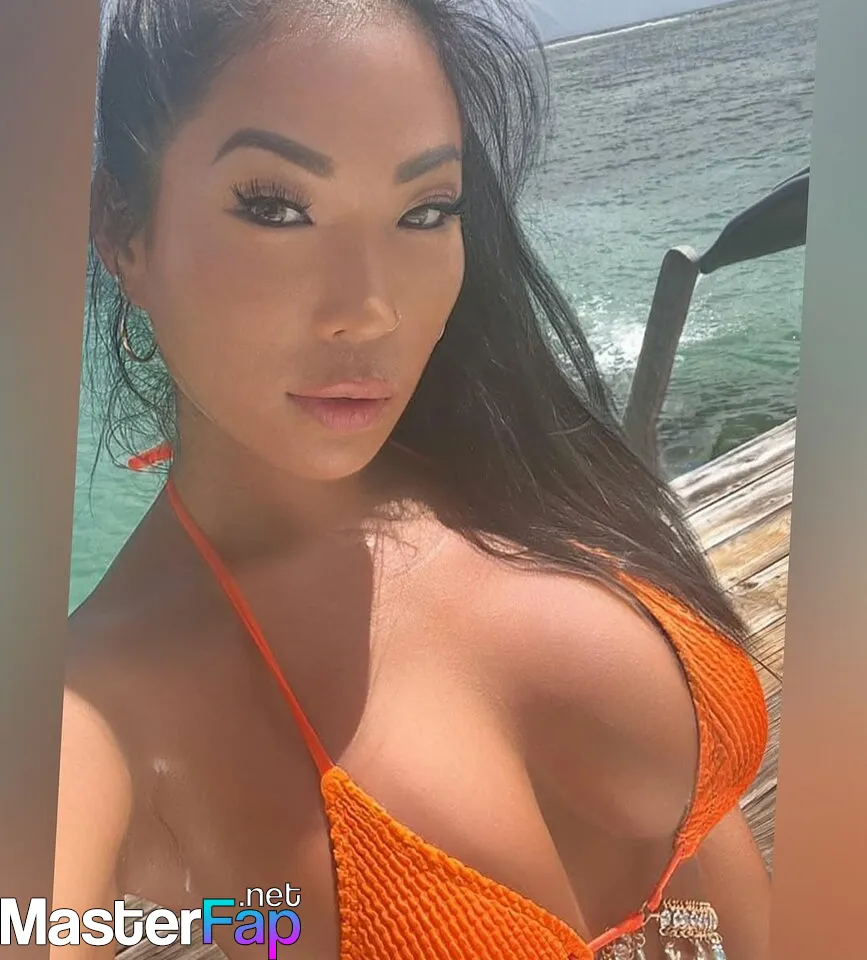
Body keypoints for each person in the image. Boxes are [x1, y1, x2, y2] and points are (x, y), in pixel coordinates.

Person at [56, 0, 771, 958]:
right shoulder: (98, 706)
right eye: (275, 208)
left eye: (424, 211)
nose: (371, 310)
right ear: (123, 232)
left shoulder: (521, 463)